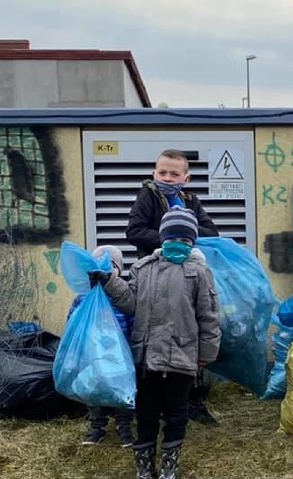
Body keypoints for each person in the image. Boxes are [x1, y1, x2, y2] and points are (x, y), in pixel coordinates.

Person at [98, 207, 221, 479]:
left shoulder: (198, 272)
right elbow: (131, 303)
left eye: (186, 241)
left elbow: (209, 315)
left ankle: (169, 466)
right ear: (161, 239)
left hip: (182, 357)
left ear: (193, 243)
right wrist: (110, 282)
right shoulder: (143, 269)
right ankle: (144, 467)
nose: (179, 244)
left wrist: (206, 354)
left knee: (177, 414)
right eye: (172, 239)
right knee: (146, 414)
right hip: (147, 358)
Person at [126, 148, 221, 426]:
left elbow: (211, 231)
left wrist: (185, 233)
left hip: (187, 277)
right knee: (156, 335)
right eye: (162, 172)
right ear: (154, 173)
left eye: (174, 173)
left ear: (186, 178)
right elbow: (133, 232)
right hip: (155, 277)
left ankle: (193, 400)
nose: (167, 178)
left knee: (190, 331)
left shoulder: (190, 199)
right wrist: (168, 239)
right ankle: (153, 401)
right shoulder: (147, 196)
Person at [68, 245, 135, 447]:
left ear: (119, 270)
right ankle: (97, 426)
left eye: (111, 265)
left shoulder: (123, 295)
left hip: (121, 355)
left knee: (123, 390)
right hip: (93, 354)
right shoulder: (83, 297)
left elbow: (134, 320)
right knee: (95, 389)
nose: (105, 269)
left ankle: (124, 425)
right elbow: (73, 322)